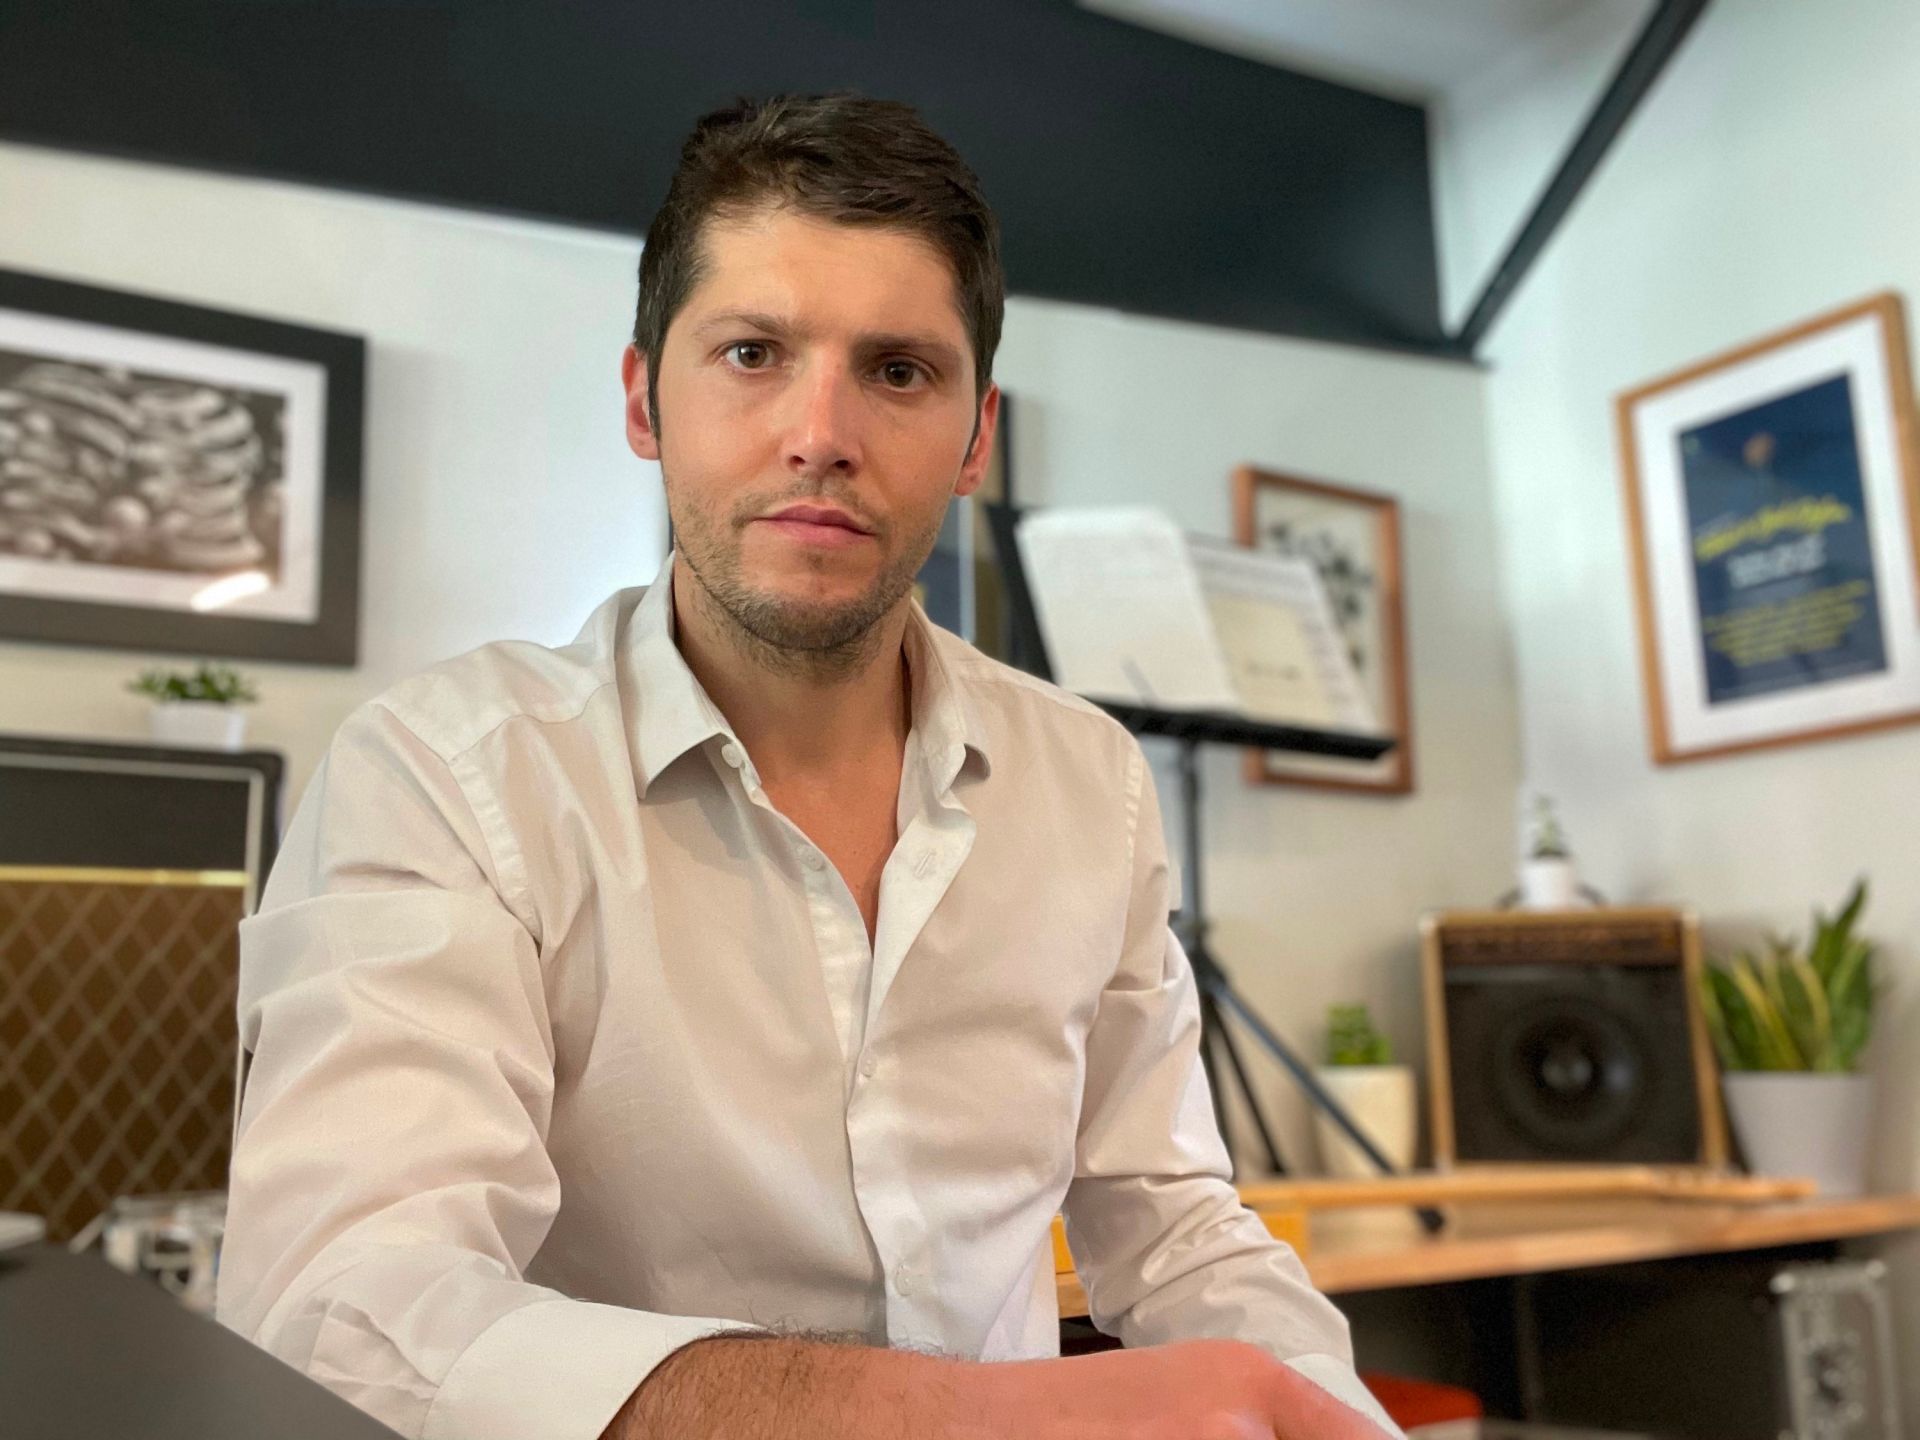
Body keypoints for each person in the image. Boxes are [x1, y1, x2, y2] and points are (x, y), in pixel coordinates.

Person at [216, 93, 1400, 1440]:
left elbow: (1177, 1222)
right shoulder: (441, 776)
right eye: (752, 352)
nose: (821, 431)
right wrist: (976, 1423)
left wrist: (1328, 1418)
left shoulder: (1093, 783)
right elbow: (346, 1310)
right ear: (643, 399)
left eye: (897, 371)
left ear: (975, 438)